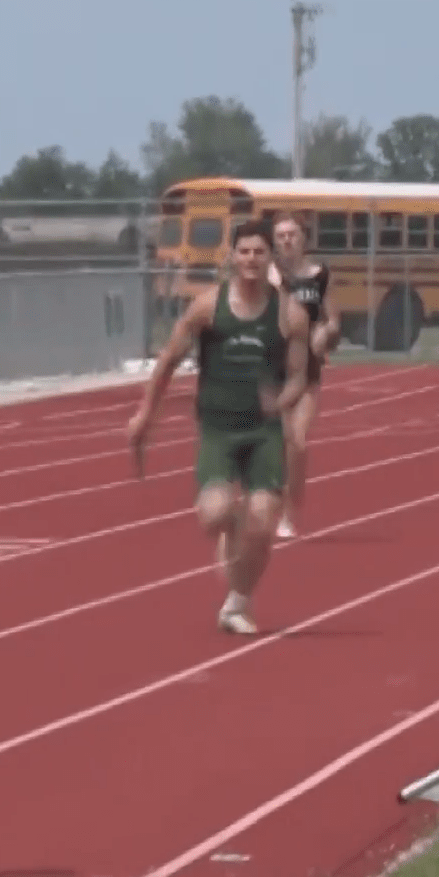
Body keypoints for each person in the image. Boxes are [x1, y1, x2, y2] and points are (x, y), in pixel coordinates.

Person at [127, 219, 308, 636]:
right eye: (243, 252)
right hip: (218, 429)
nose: (251, 259)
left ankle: (237, 604)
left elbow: (298, 375)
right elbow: (169, 360)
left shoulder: (289, 314)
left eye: (259, 252)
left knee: (263, 521)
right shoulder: (208, 306)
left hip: (264, 432)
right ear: (232, 257)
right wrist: (145, 415)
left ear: (270, 258)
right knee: (215, 516)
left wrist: (281, 400)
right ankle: (233, 533)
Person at [266, 213, 337, 538]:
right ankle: (273, 504)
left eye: (292, 234)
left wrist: (325, 331)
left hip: (306, 368)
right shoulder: (266, 274)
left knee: (297, 441)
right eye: (280, 236)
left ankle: (288, 512)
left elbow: (334, 319)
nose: (286, 240)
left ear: (303, 238)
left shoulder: (320, 276)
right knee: (278, 442)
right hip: (272, 368)